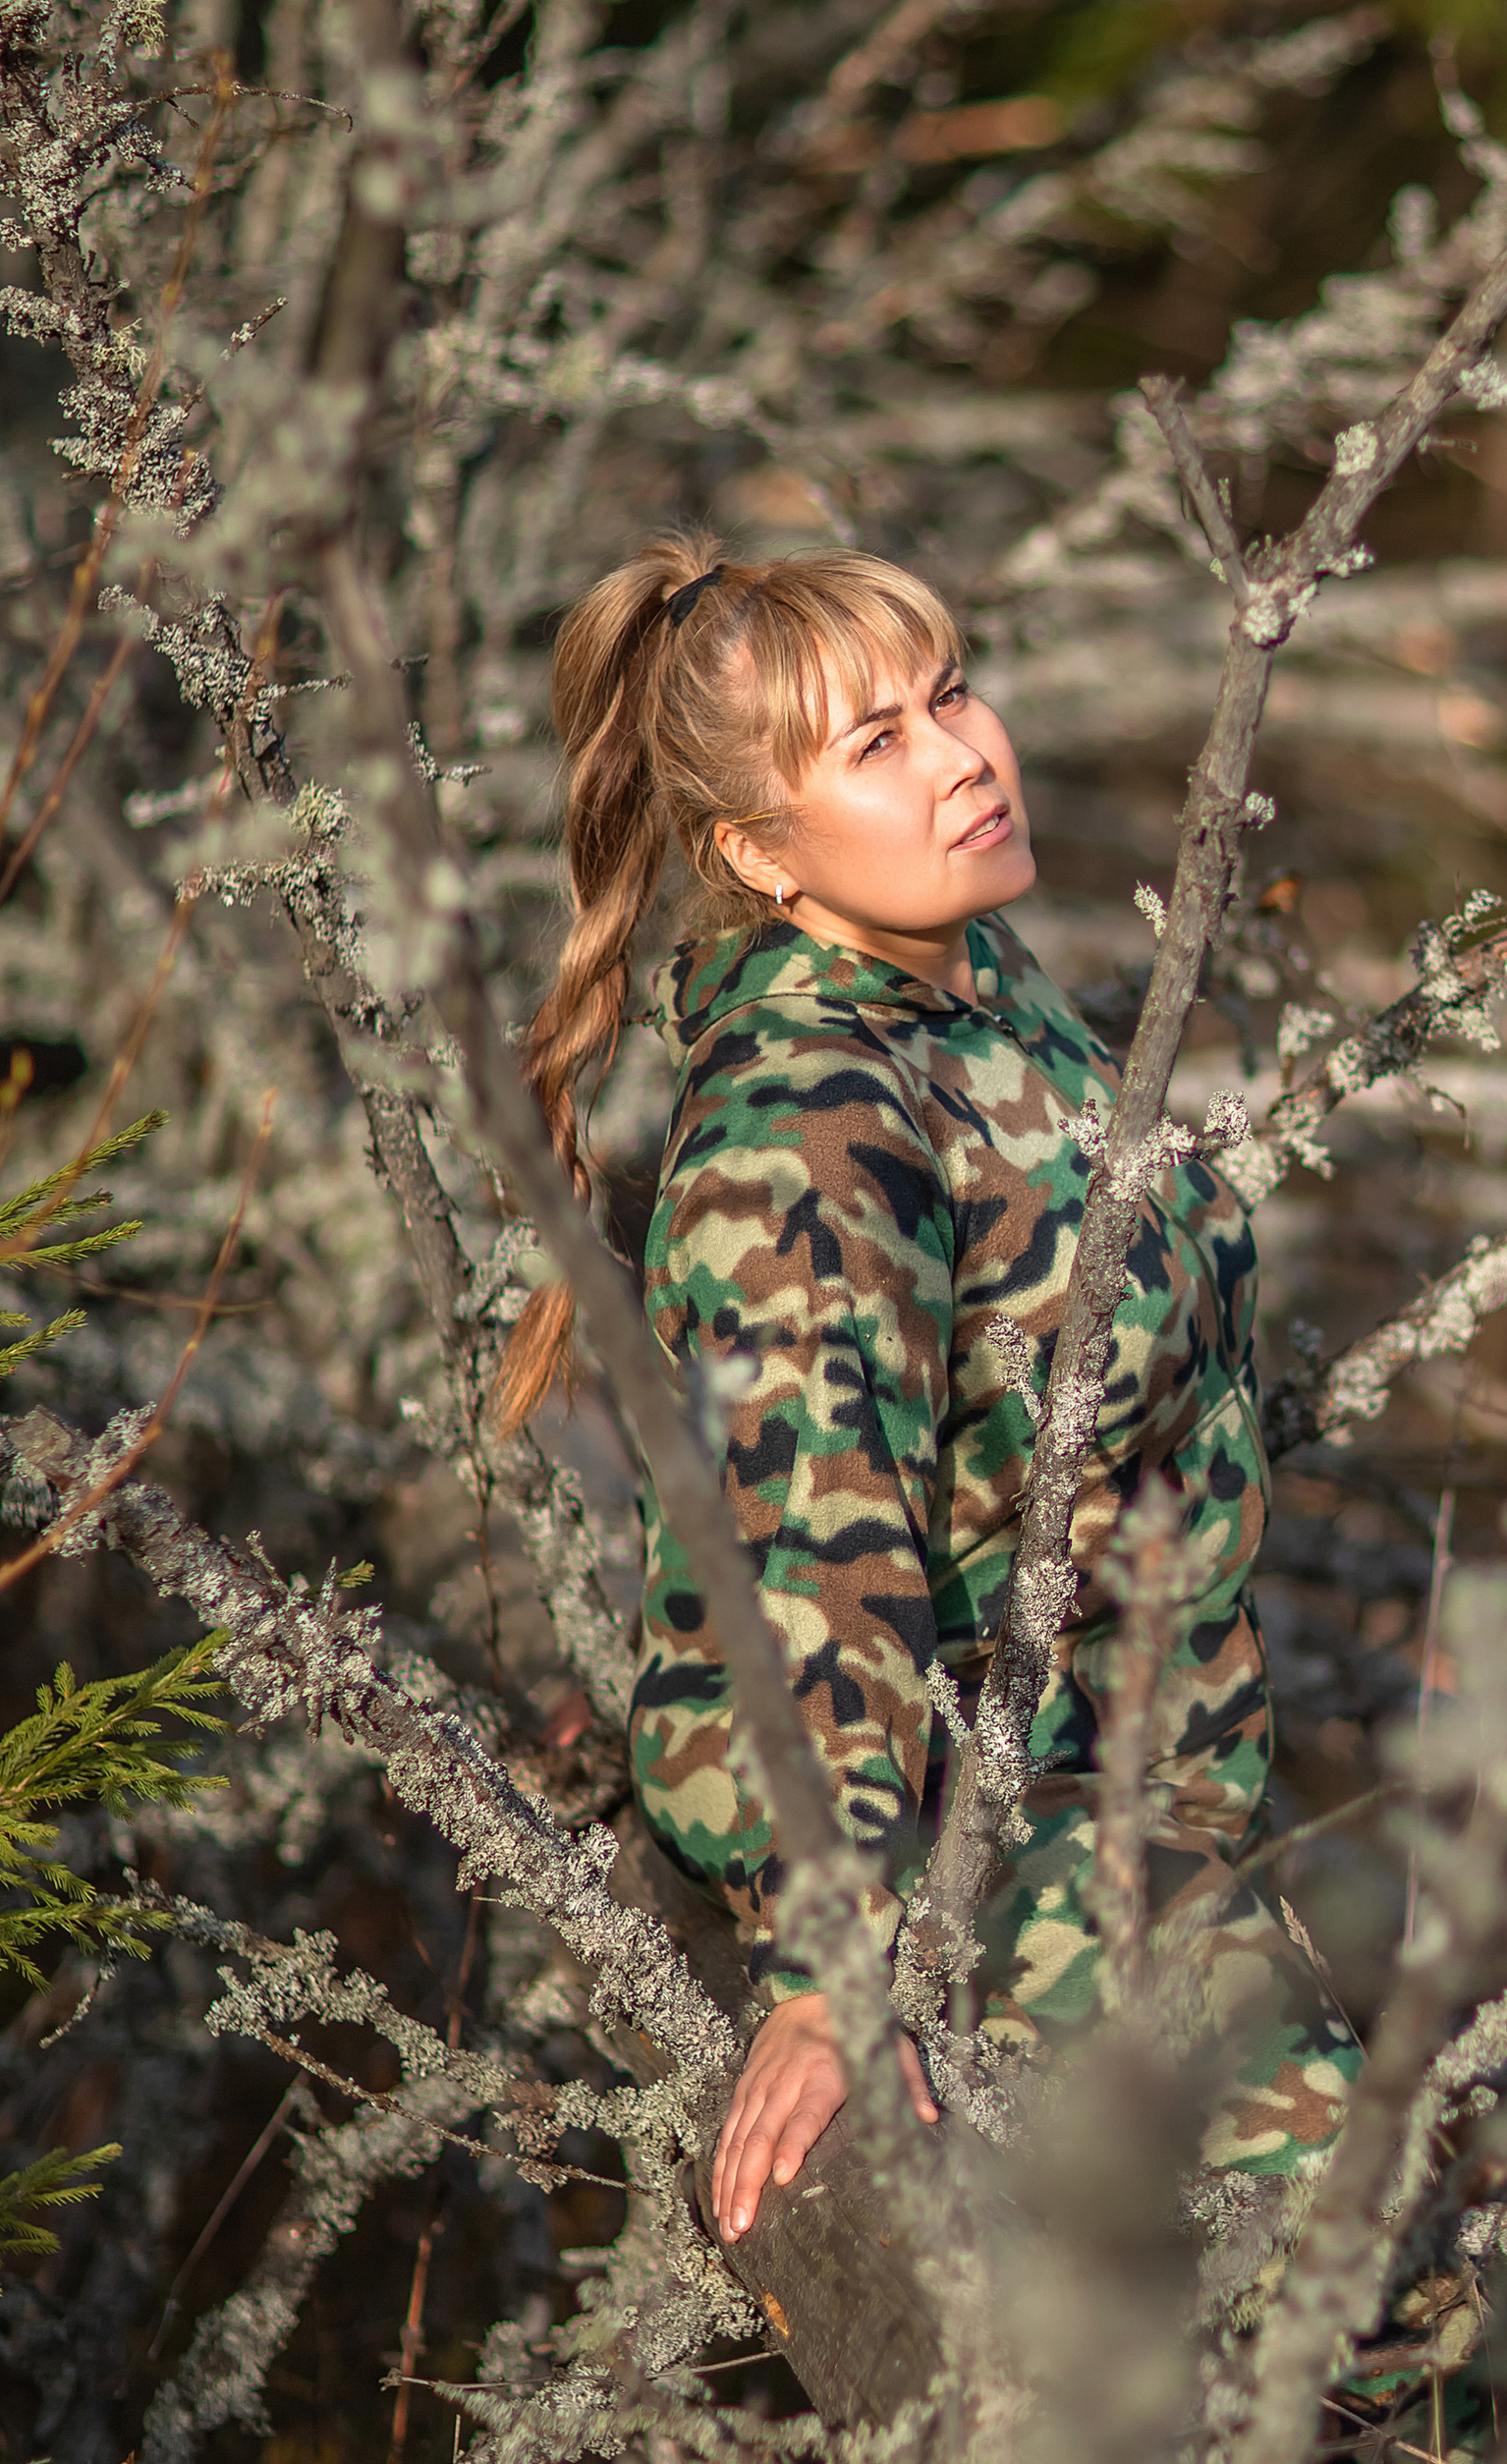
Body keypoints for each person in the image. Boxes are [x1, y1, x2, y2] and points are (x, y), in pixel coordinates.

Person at [497, 533, 1355, 2242]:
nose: (964, 755)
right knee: (1358, 2318)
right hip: (1000, 1857)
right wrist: (831, 1965)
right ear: (755, 848)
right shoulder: (810, 1122)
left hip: (1155, 1814)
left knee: (1367, 2364)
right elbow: (798, 1549)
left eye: (948, 691)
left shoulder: (975, 986)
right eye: (875, 743)